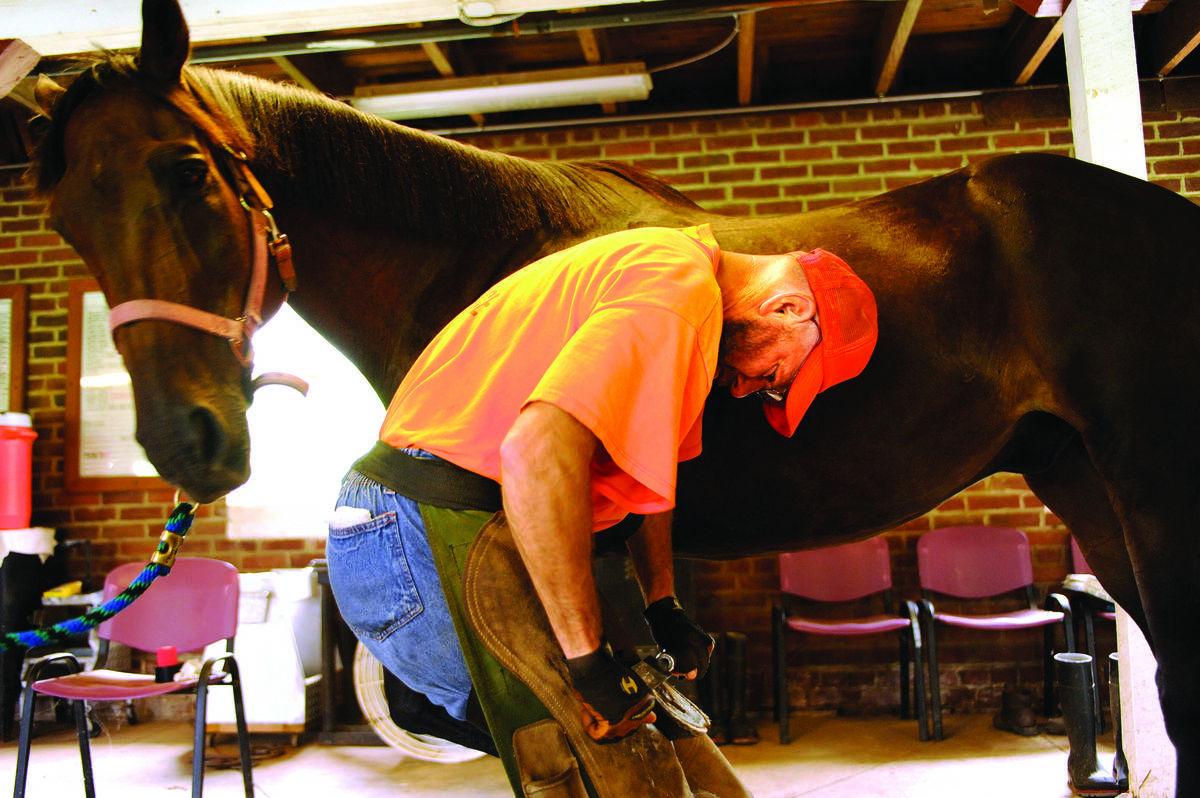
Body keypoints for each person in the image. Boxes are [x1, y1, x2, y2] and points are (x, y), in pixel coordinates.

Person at [325, 222, 877, 751]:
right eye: (775, 378)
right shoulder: (674, 290)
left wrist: (664, 604)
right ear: (787, 308)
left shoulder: (681, 282)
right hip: (421, 528)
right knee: (582, 746)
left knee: (630, 749)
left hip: (434, 518)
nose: (746, 391)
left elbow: (649, 473)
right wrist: (585, 662)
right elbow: (535, 451)